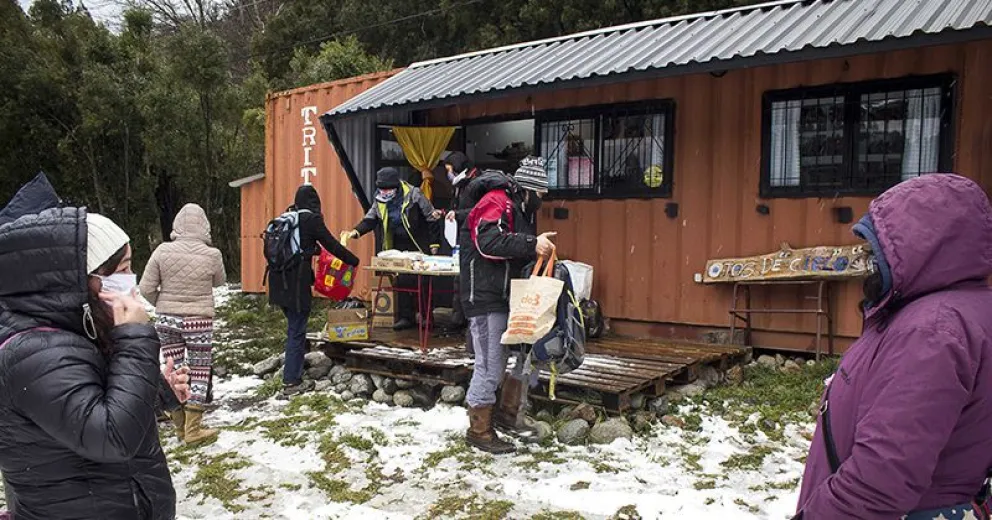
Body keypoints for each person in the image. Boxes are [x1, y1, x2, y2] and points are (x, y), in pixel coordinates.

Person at [794, 174, 992, 520]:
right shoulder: (963, 309)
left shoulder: (933, 331)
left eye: (879, 249)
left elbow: (881, 476)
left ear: (921, 246)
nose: (869, 262)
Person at [0, 207, 182, 519]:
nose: (131, 282)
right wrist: (135, 336)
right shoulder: (34, 353)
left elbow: (88, 401)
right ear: (80, 280)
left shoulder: (76, 328)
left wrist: (157, 391)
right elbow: (112, 435)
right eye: (122, 270)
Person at [460, 157, 556, 454]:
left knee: (517, 360)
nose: (541, 200)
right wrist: (531, 244)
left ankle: (505, 416)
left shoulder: (518, 207)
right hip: (485, 295)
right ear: (529, 189)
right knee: (489, 365)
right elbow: (488, 242)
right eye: (540, 194)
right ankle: (479, 431)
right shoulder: (497, 200)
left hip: (505, 296)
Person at [140, 203, 226, 444]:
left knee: (174, 371)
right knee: (198, 371)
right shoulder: (213, 254)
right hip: (199, 320)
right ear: (205, 226)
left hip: (167, 319)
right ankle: (193, 430)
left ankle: (179, 426)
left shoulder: (161, 251)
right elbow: (220, 281)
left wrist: (164, 302)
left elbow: (145, 288)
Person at [269, 184, 359, 398]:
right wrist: (353, 260)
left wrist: (313, 250)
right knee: (297, 329)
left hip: (277, 281)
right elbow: (332, 244)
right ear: (314, 202)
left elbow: (305, 246)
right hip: (296, 282)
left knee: (294, 326)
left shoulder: (287, 218)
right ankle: (292, 381)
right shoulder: (311, 220)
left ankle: (295, 370)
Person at [347, 167, 443, 331]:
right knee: (402, 279)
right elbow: (371, 219)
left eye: (388, 189)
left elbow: (431, 217)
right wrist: (356, 232)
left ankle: (426, 316)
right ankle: (406, 317)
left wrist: (434, 244)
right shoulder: (380, 199)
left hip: (419, 241)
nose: (385, 192)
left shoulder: (414, 194)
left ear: (396, 186)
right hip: (398, 244)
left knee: (423, 280)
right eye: (382, 189)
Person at [443, 151, 480, 332]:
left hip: (473, 237)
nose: (448, 174)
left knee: (467, 278)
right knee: (459, 278)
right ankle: (458, 318)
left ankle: (464, 319)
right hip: (460, 236)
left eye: (449, 170)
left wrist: (457, 215)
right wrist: (447, 213)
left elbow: (478, 211)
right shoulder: (458, 185)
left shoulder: (475, 184)